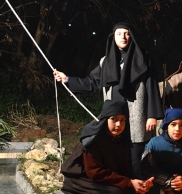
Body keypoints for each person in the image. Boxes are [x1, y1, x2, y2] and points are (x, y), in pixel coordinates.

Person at [53, 22, 163, 176]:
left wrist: (152, 115)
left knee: (136, 158)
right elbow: (92, 82)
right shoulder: (106, 61)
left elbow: (152, 86)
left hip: (136, 115)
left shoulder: (142, 58)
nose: (123, 37)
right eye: (119, 34)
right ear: (113, 37)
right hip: (114, 115)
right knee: (114, 155)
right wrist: (68, 80)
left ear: (131, 36)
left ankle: (137, 193)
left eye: (126, 33)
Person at [60, 100, 154, 194]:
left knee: (132, 193)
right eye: (114, 120)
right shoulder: (93, 140)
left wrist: (138, 183)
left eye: (122, 120)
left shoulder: (121, 139)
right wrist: (128, 183)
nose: (118, 125)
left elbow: (124, 168)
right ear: (105, 119)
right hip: (81, 181)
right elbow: (95, 172)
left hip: (104, 178)